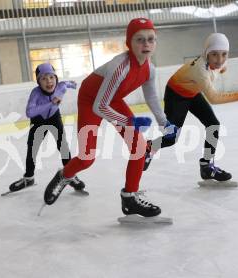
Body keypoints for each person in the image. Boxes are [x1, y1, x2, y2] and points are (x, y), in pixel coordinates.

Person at [43, 18, 177, 217]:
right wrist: (129, 121)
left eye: (151, 39)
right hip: (91, 101)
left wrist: (164, 122)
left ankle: (129, 198)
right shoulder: (120, 67)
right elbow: (99, 106)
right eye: (139, 40)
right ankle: (65, 175)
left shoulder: (149, 69)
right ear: (128, 44)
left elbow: (151, 97)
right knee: (87, 158)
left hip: (111, 100)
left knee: (139, 147)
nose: (146, 44)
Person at [143, 33, 238, 182]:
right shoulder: (201, 70)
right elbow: (214, 98)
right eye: (214, 55)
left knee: (213, 125)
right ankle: (149, 147)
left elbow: (221, 67)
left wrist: (221, 68)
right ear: (206, 53)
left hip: (193, 92)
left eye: (224, 54)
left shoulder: (220, 63)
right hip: (176, 95)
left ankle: (206, 167)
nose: (220, 60)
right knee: (172, 137)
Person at [8, 63, 86, 193]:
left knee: (63, 146)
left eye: (51, 77)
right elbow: (29, 112)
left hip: (54, 117)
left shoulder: (61, 86)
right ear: (38, 82)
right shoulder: (36, 93)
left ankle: (70, 175)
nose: (49, 81)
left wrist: (73, 84)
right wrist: (51, 103)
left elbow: (68, 84)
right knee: (33, 149)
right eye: (43, 78)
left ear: (56, 78)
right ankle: (29, 178)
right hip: (38, 121)